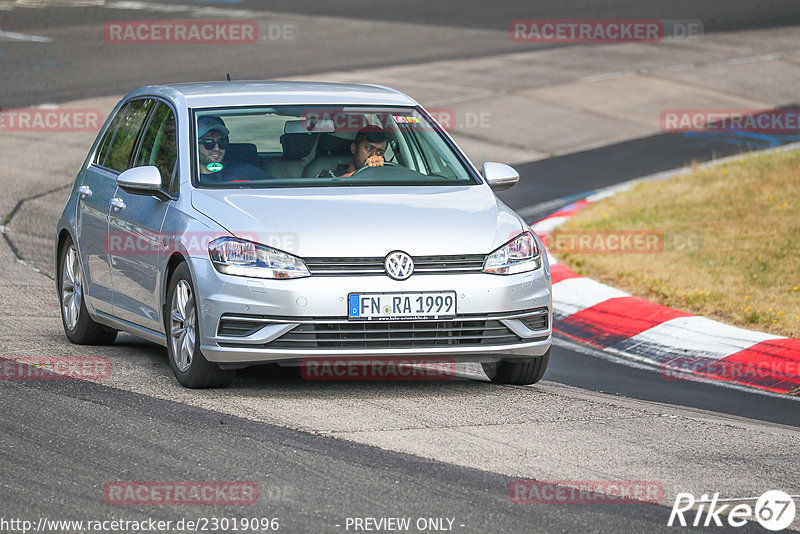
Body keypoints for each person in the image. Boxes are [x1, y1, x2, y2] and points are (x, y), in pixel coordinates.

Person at [197, 115, 270, 183]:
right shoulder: (187, 179)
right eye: (209, 143)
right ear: (195, 145)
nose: (217, 148)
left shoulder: (245, 171)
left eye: (222, 142)